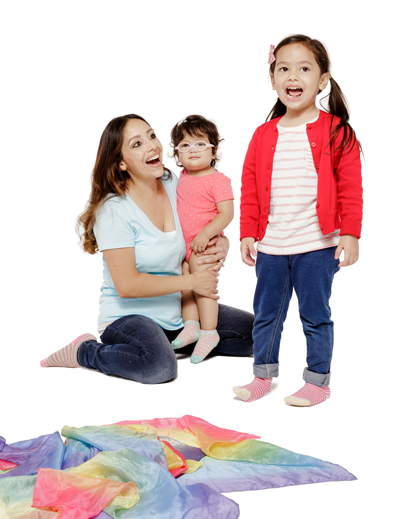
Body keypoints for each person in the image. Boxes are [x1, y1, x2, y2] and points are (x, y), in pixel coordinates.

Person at [40, 114, 254, 384]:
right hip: (129, 316)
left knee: (256, 334)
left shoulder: (173, 182)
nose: (152, 146)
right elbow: (127, 285)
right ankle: (84, 352)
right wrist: (193, 281)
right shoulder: (114, 210)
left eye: (152, 136)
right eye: (137, 144)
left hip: (179, 308)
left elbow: (202, 222)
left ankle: (174, 341)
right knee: (159, 368)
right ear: (120, 163)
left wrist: (223, 243)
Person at [233, 35, 363, 406]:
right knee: (266, 315)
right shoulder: (263, 134)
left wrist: (350, 233)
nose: (293, 76)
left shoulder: (337, 130)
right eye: (283, 68)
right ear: (272, 78)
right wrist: (247, 233)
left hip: (317, 246)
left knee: (315, 315)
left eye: (304, 68)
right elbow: (251, 189)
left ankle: (318, 381)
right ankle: (263, 375)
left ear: (322, 80)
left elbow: (351, 186)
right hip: (272, 246)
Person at [168, 115, 234, 363]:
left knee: (203, 287)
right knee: (186, 285)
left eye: (200, 144)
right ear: (177, 153)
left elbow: (226, 213)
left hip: (203, 246)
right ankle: (192, 326)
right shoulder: (181, 177)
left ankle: (209, 332)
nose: (192, 150)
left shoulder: (218, 180)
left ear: (214, 149)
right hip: (185, 248)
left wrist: (207, 234)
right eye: (184, 145)